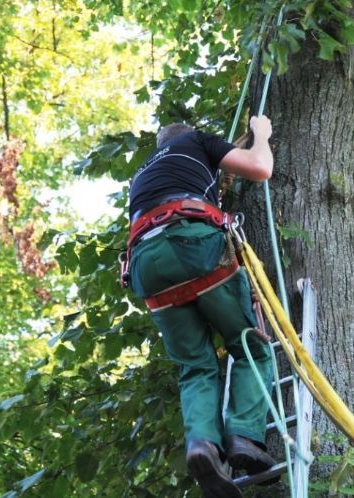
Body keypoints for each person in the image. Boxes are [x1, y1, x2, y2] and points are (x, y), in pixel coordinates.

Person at [126, 116, 276, 498]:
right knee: (250, 346)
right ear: (190, 134)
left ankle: (202, 445)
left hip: (146, 266)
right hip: (192, 245)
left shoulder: (142, 175)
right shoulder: (196, 142)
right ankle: (245, 437)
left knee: (195, 366)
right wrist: (261, 134)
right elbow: (260, 168)